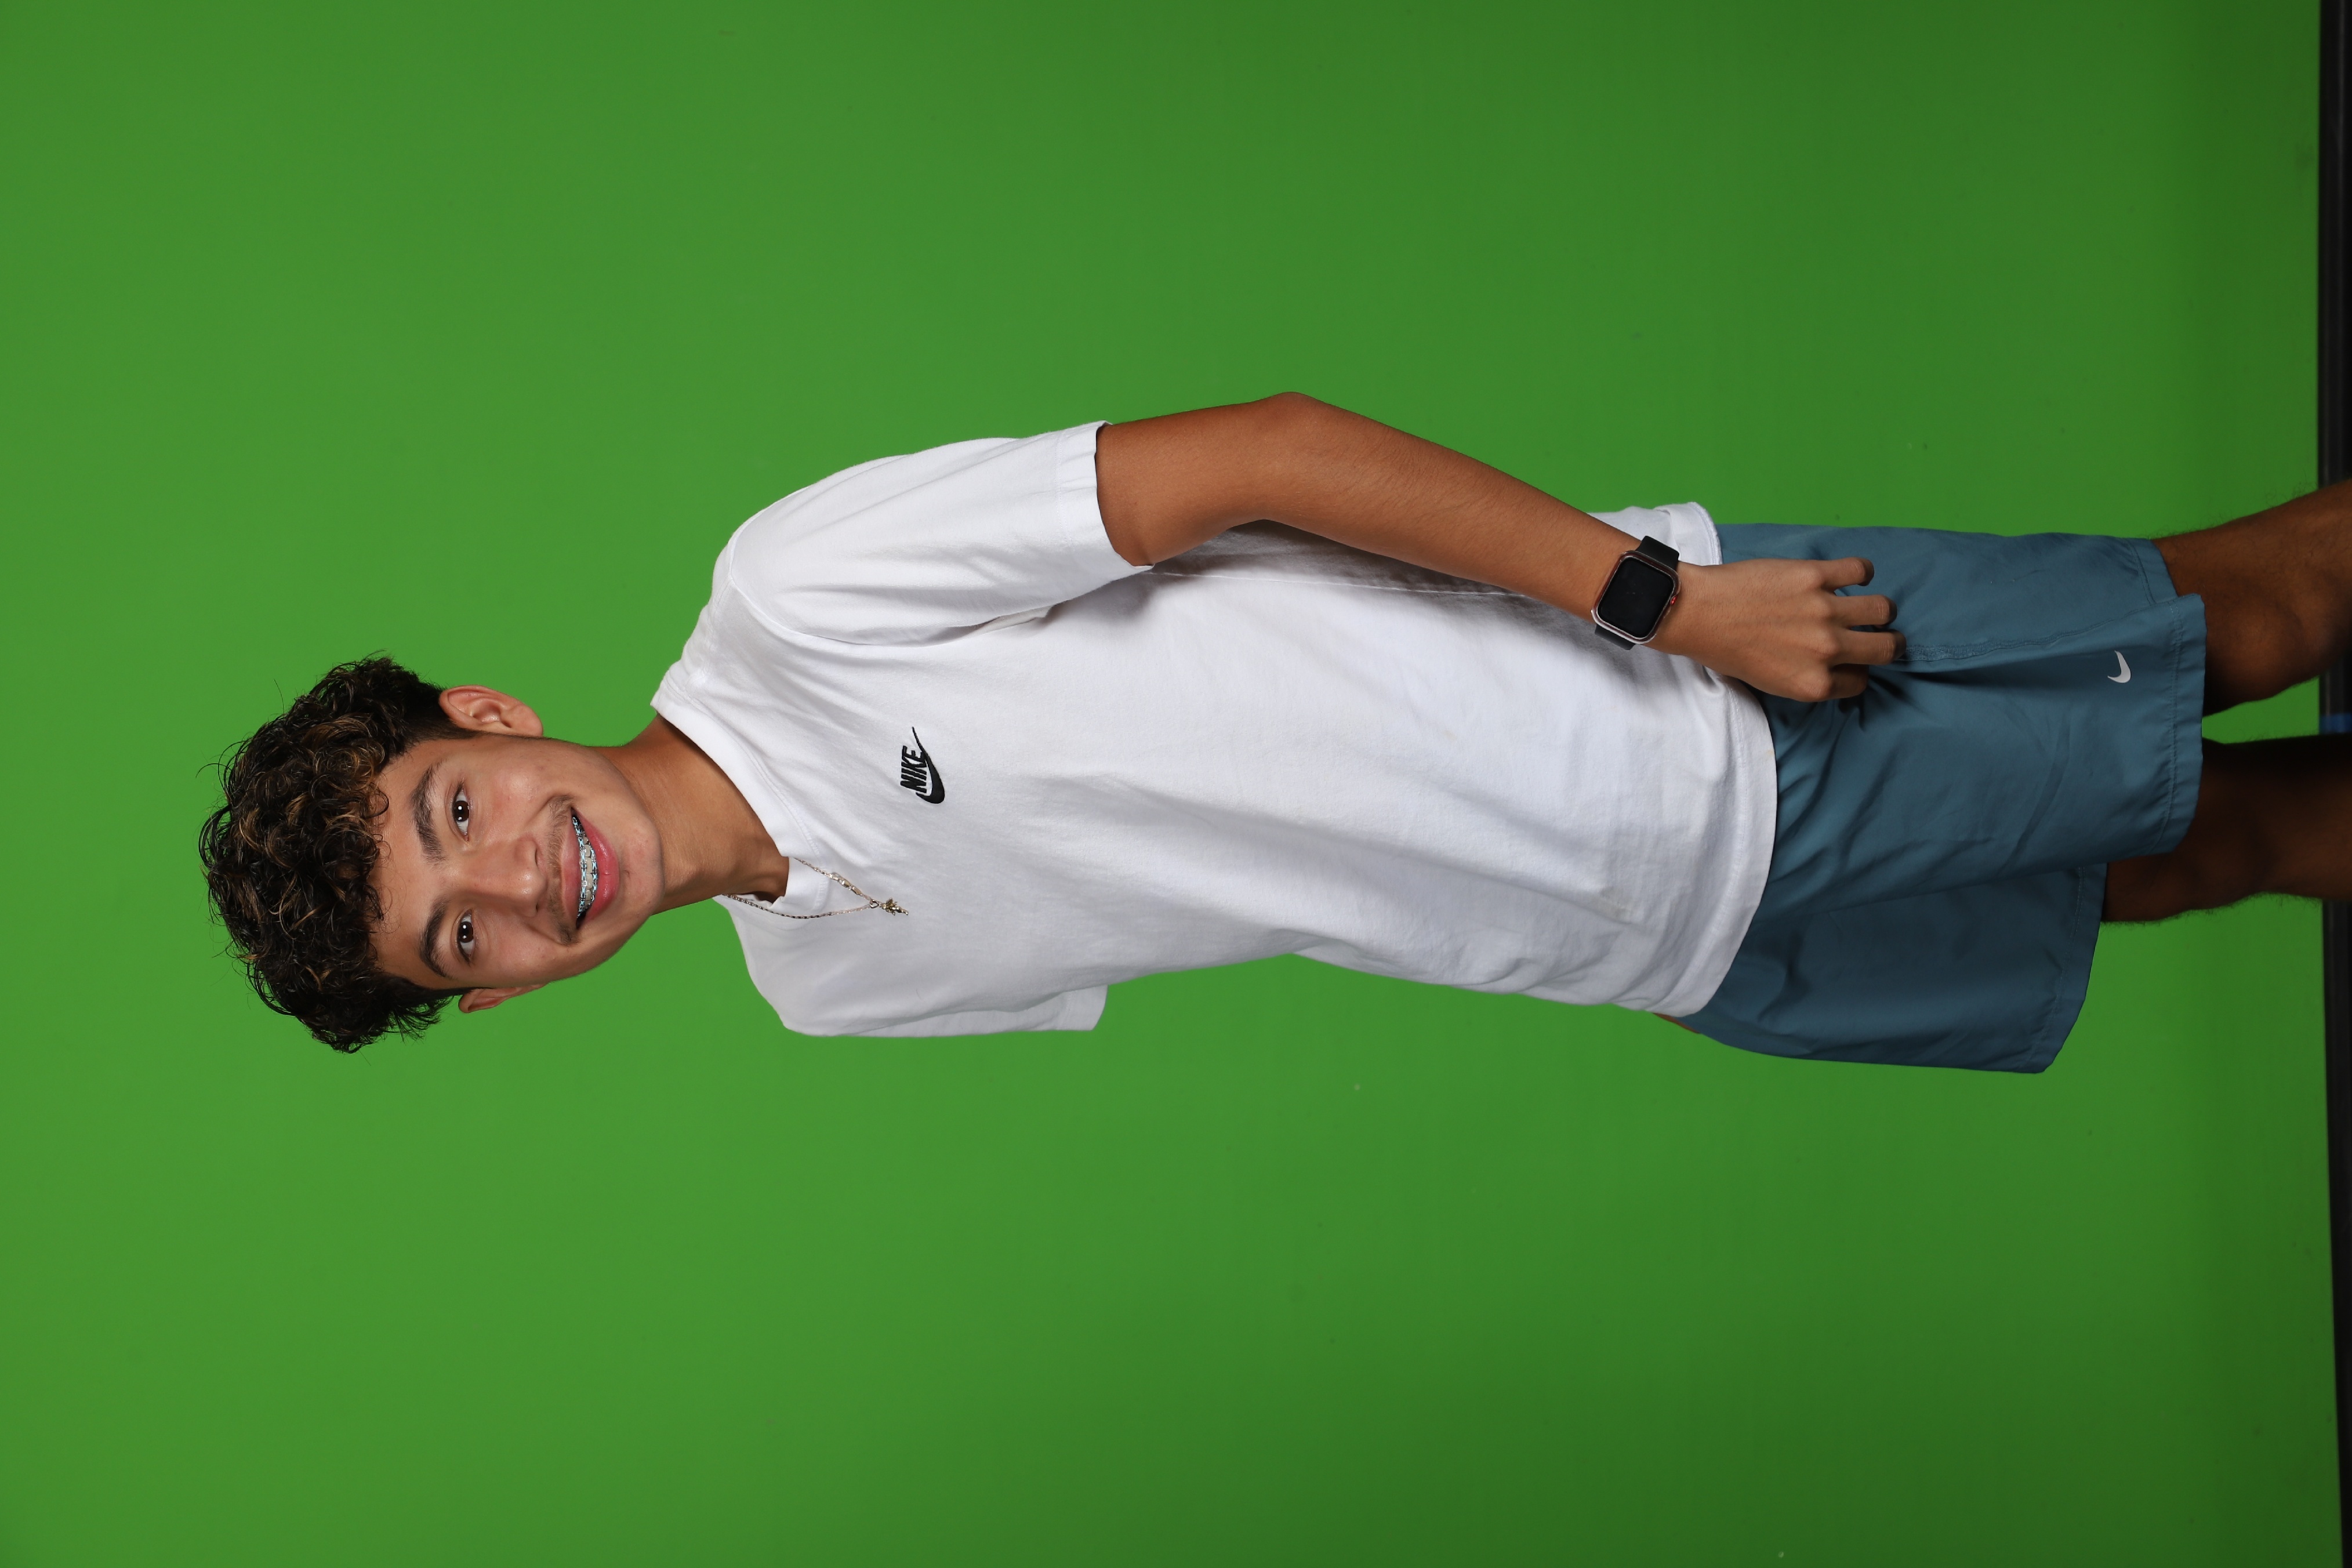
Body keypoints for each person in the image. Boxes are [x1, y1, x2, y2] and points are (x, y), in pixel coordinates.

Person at [198, 394, 2352, 1070]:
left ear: (489, 719)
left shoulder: (793, 598)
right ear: (495, 989)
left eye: (454, 808)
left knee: (2254, 615)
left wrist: (1660, 600)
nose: (514, 879)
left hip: (1698, 714)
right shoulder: (825, 988)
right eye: (457, 937)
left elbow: (1265, 456)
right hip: (1667, 949)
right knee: (2216, 856)